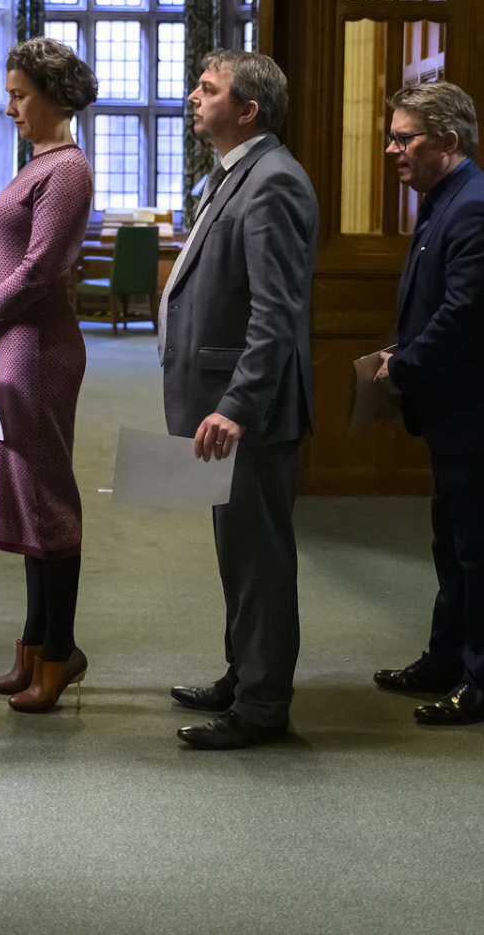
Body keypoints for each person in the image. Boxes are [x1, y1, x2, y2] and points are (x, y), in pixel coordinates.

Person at [368, 82, 484, 726]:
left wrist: (403, 367)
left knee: (483, 553)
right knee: (453, 546)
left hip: (483, 416)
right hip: (457, 412)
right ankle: (447, 658)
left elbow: (462, 314)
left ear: (449, 140)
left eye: (404, 137)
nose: (393, 149)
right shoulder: (444, 199)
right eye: (392, 136)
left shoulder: (477, 209)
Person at [159, 50, 318, 750]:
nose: (194, 97)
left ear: (248, 110)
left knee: (259, 559)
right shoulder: (236, 174)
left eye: (208, 89)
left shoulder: (273, 182)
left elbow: (275, 315)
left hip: (247, 413)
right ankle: (242, 674)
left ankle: (261, 707)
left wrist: (237, 405)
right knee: (237, 552)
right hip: (223, 408)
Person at [0, 37, 98, 713]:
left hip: (36, 348)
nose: (9, 107)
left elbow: (38, 270)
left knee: (47, 501)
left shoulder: (67, 169)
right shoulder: (34, 164)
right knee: (25, 499)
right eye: (9, 94)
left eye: (19, 95)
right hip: (12, 346)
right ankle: (34, 645)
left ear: (53, 97)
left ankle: (60, 653)